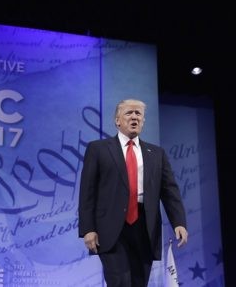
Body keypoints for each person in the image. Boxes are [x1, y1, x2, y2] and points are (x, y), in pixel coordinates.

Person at [78, 99, 188, 287]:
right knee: (119, 281)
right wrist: (88, 229)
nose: (134, 117)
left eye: (138, 114)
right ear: (117, 120)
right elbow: (87, 192)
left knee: (139, 282)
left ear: (143, 121)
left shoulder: (156, 153)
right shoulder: (98, 149)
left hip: (145, 227)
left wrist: (179, 222)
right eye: (129, 113)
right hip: (111, 229)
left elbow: (169, 190)